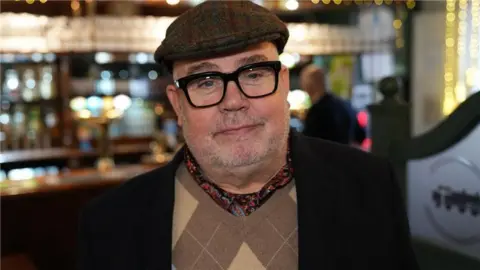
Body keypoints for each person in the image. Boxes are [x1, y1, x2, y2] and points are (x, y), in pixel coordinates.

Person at [77, 1, 419, 270]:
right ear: (177, 105)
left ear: (284, 84)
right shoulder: (111, 223)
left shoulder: (369, 187)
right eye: (206, 82)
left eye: (254, 73)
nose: (234, 101)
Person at [300, 64, 365, 145]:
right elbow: (361, 136)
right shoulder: (345, 105)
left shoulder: (316, 112)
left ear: (309, 84)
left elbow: (307, 143)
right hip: (345, 155)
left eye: (303, 82)